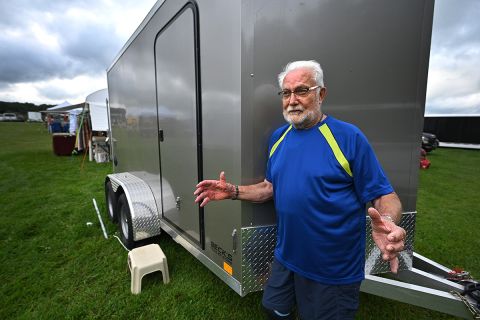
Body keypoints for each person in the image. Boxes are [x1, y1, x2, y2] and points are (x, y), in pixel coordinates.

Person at [194, 60, 406, 319]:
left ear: (321, 94)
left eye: (302, 90)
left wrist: (386, 220)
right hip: (287, 258)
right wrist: (233, 191)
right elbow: (269, 188)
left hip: (331, 270)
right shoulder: (278, 138)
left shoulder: (348, 138)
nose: (292, 100)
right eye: (286, 92)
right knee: (274, 309)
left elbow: (385, 195)